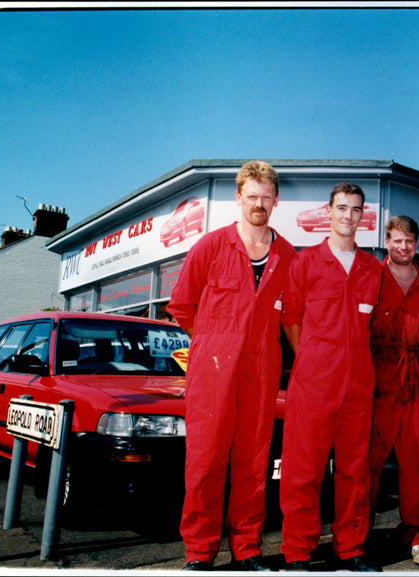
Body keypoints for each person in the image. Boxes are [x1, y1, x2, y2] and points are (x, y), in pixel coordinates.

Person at [167, 160, 297, 572]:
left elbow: (293, 315)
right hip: (213, 373)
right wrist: (211, 346)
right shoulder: (209, 247)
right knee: (204, 461)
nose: (259, 204)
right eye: (251, 196)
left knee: (254, 461)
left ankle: (247, 547)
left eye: (266, 197)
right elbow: (182, 307)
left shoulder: (288, 255)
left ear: (276, 200)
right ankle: (199, 552)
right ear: (238, 197)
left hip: (261, 373)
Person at [279, 183, 383, 572]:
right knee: (303, 470)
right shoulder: (306, 262)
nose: (348, 216)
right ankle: (297, 553)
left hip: (358, 384)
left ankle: (351, 549)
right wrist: (308, 356)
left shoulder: (373, 270)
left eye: (355, 210)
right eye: (341, 208)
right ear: (329, 211)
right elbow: (290, 317)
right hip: (314, 382)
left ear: (362, 215)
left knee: (354, 471)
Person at [367, 216, 419, 567]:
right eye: (396, 241)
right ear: (387, 241)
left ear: (416, 243)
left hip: (415, 379)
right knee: (366, 462)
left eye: (409, 241)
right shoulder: (369, 279)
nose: (403, 247)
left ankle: (418, 535)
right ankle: (356, 533)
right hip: (375, 381)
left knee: (418, 462)